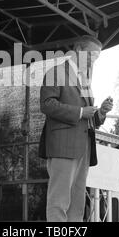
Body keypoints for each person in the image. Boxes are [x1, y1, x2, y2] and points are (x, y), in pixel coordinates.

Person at [39, 35, 113, 222]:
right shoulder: (56, 72)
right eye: (91, 55)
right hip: (63, 145)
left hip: (84, 148)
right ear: (78, 50)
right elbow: (47, 105)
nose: (94, 60)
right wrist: (80, 112)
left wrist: (101, 113)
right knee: (59, 199)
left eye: (97, 57)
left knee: (77, 203)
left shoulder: (85, 80)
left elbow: (89, 118)